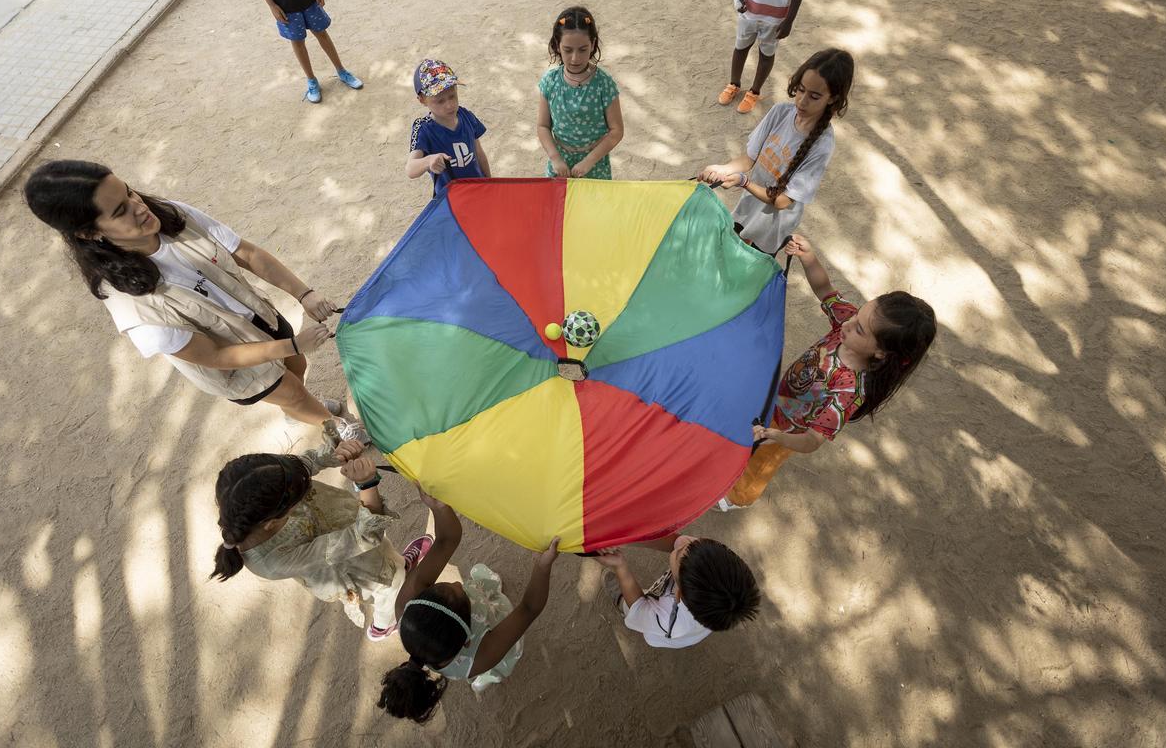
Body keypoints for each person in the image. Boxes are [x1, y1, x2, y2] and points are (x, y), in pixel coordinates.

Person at [25, 159, 360, 433]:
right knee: (292, 392)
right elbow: (215, 356)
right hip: (235, 364)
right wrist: (292, 345)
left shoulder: (169, 213)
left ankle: (298, 408)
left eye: (129, 193)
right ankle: (332, 425)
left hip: (259, 318)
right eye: (120, 211)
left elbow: (243, 251)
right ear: (90, 233)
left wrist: (304, 294)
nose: (140, 207)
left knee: (296, 368)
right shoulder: (131, 305)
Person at [720, 234, 936, 509]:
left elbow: (812, 441)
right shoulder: (847, 323)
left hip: (787, 429)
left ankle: (737, 498)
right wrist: (809, 257)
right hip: (773, 402)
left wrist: (775, 436)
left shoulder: (848, 392)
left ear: (881, 352)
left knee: (761, 463)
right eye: (858, 315)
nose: (849, 323)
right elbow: (826, 290)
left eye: (860, 328)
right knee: (745, 441)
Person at [211, 435, 433, 640]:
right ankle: (385, 624)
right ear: (271, 522)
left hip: (349, 530)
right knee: (388, 586)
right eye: (300, 490)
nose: (303, 481)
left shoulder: (253, 495)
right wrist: (366, 485)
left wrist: (335, 452)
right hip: (355, 569)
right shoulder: (272, 560)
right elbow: (365, 536)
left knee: (388, 557)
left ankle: (400, 564)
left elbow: (302, 466)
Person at [377, 489, 561, 723]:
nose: (457, 582)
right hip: (490, 637)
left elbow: (446, 540)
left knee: (482, 592)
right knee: (493, 662)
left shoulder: (406, 606)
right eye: (461, 590)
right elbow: (528, 608)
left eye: (445, 586)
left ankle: (484, 671)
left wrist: (439, 507)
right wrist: (542, 567)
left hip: (475, 631)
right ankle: (488, 674)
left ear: (420, 597)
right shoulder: (481, 656)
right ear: (468, 638)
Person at [700, 47, 853, 254]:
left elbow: (782, 201)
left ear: (833, 98)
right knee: (728, 249)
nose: (802, 100)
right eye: (800, 89)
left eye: (815, 96)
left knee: (751, 267)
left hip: (773, 225)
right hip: (750, 204)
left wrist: (743, 182)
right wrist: (722, 169)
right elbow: (748, 160)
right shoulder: (780, 112)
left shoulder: (822, 145)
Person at [236, 0, 363, 103]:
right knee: (297, 41)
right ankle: (311, 81)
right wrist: (271, 5)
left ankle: (342, 71)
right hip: (282, 2)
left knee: (321, 32)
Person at [592, 535, 760, 649]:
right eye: (694, 543)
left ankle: (620, 600)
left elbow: (639, 607)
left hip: (661, 628)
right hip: (693, 624)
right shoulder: (708, 557)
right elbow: (675, 541)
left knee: (631, 607)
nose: (683, 542)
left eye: (679, 553)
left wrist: (620, 567)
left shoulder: (668, 620)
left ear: (678, 595)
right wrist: (626, 536)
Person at [718, 0, 817, 114]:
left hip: (777, 12)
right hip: (749, 4)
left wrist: (789, 20)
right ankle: (734, 83)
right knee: (741, 47)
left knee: (767, 53)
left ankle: (754, 92)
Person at [537, 6, 624, 180]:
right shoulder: (550, 81)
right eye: (568, 50)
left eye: (583, 49)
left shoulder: (604, 84)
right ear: (557, 45)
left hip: (595, 165)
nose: (575, 58)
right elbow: (543, 126)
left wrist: (589, 161)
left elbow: (616, 131)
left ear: (593, 44)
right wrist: (555, 158)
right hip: (559, 164)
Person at [406, 59, 492, 197]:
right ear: (422, 100)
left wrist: (489, 182)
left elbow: (479, 153)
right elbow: (410, 169)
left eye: (452, 96)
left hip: (478, 190)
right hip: (450, 200)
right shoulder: (423, 129)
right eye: (440, 101)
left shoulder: (466, 115)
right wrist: (428, 161)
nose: (449, 105)